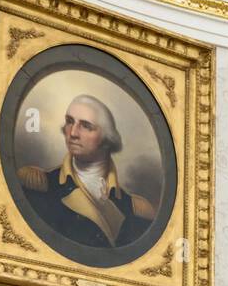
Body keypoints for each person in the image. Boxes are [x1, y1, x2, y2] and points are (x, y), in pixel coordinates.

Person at [17, 95, 156, 250]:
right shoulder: (39, 186)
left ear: (107, 138)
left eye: (86, 126)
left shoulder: (136, 209)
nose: (73, 133)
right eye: (70, 122)